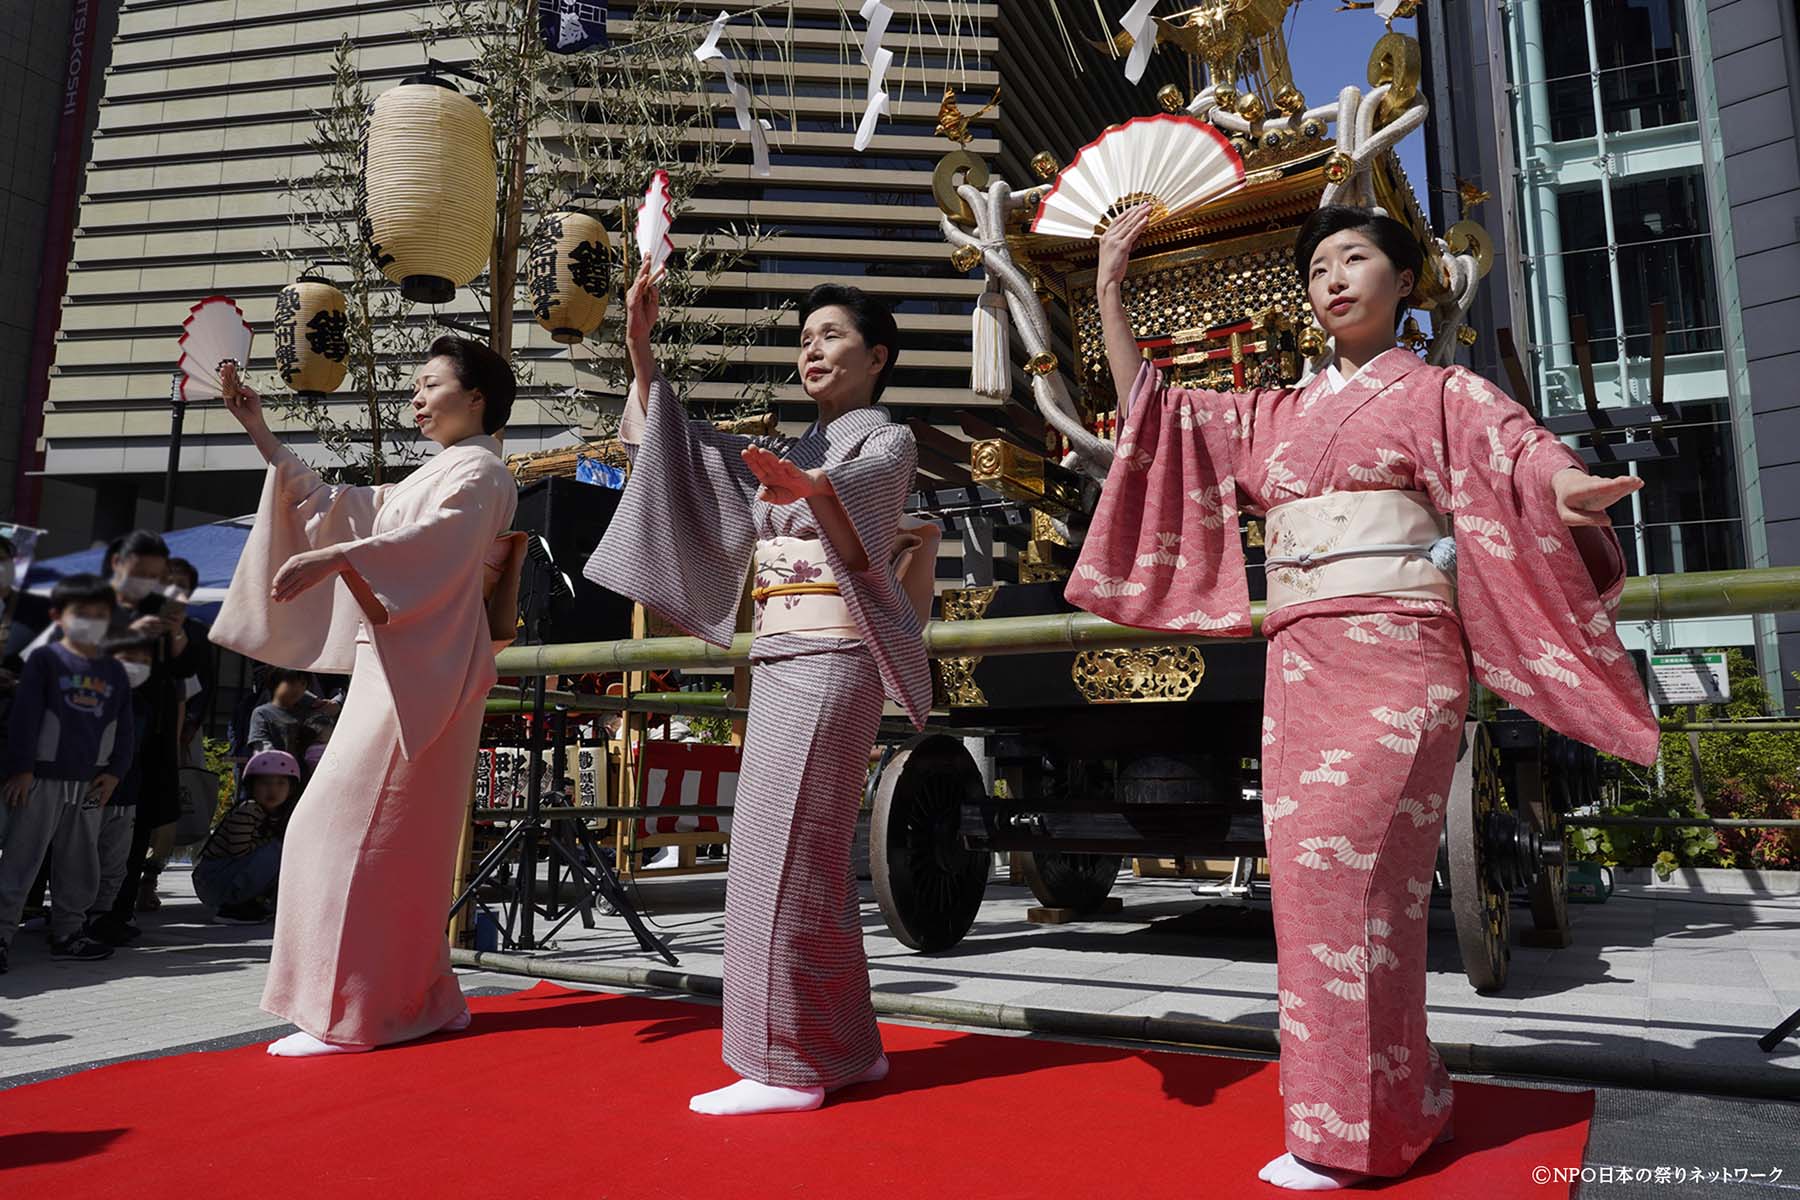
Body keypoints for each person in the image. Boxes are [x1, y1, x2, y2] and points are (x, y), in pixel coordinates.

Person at [1064, 203, 1659, 1190]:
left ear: (1401, 278)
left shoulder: (1443, 393)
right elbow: (1155, 418)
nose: (1333, 278)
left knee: (1354, 883)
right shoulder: (1276, 413)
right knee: (1312, 896)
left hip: (1400, 658)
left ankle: (1355, 1138)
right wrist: (1109, 288)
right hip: (1301, 667)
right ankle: (1404, 1100)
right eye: (1319, 267)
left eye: (1355, 258)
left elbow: (1515, 452)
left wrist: (1567, 489)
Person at [585, 267, 938, 1116]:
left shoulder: (882, 443)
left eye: (833, 335)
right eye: (807, 336)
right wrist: (641, 354)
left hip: (835, 652)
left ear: (877, 356)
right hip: (783, 653)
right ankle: (845, 1049)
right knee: (802, 855)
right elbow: (677, 453)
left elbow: (859, 528)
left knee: (775, 851)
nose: (813, 347)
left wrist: (819, 492)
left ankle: (786, 1064)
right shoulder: (794, 449)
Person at [210, 336, 523, 1057]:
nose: (417, 396)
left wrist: (340, 555)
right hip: (409, 662)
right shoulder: (448, 470)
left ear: (475, 397)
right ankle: (419, 997)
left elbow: (436, 544)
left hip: (423, 667)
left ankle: (351, 1011)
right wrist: (258, 428)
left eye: (429, 383)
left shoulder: (479, 473)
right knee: (391, 845)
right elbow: (329, 503)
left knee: (336, 832)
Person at [0, 575, 136, 972]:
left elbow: (124, 728)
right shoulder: (45, 660)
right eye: (82, 614)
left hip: (91, 782)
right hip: (40, 780)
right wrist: (22, 769)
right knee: (21, 859)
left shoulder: (114, 671)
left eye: (100, 615)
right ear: (58, 616)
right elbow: (24, 718)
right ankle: (2, 934)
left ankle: (69, 932)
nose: (91, 621)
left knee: (79, 862)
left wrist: (115, 773)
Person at [86, 632, 159, 947]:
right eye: (129, 659)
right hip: (92, 792)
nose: (136, 666)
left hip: (128, 792)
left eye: (144, 661)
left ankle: (102, 917)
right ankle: (75, 920)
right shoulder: (92, 696)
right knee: (82, 860)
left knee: (116, 861)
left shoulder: (142, 702)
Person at [193, 749, 298, 924]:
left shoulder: (276, 815)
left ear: (291, 789)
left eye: (281, 783)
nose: (273, 789)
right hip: (214, 881)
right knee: (280, 848)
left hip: (228, 877)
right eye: (265, 783)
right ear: (251, 786)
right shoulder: (249, 809)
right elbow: (239, 852)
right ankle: (233, 908)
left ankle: (255, 904)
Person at [245, 668, 337, 756]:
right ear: (276, 682)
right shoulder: (263, 713)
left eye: (302, 684)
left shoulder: (308, 715)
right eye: (291, 683)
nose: (297, 689)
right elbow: (261, 747)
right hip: (272, 768)